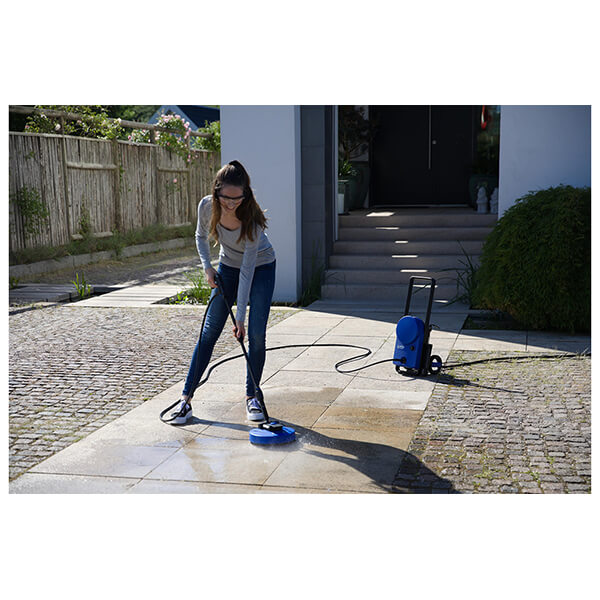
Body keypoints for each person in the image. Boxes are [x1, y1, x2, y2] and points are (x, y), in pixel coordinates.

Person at [171, 160, 276, 424]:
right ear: (216, 191)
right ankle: (185, 400)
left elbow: (247, 272)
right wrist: (208, 268)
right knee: (209, 332)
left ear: (245, 194)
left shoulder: (252, 219)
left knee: (256, 335)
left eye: (236, 198)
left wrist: (240, 319)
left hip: (261, 267)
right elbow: (199, 236)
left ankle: (252, 397)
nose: (230, 204)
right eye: (225, 198)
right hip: (227, 266)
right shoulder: (207, 206)